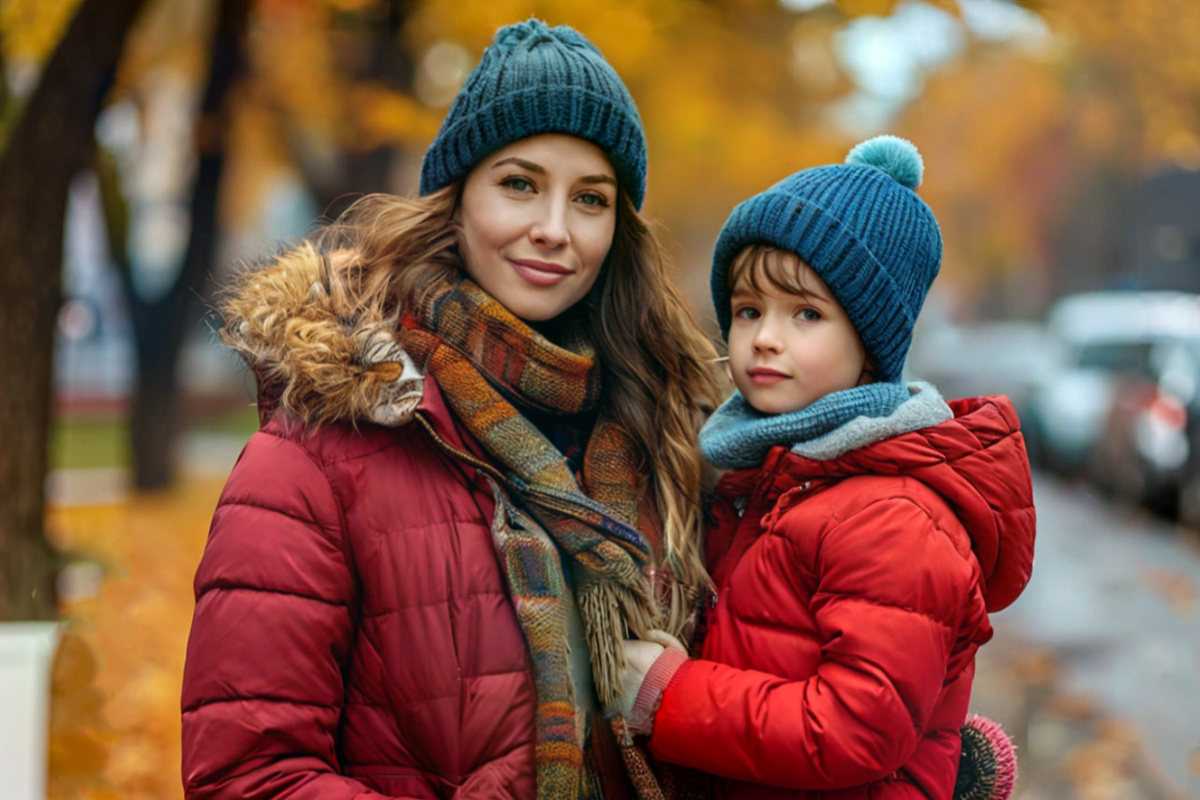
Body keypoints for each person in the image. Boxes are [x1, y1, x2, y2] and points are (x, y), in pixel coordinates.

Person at [180, 18, 720, 800]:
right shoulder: (317, 451)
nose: (553, 229)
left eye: (591, 199)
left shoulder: (660, 440)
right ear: (457, 198)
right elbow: (248, 775)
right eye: (519, 184)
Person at [606, 136, 1037, 800]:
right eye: (749, 310)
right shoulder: (767, 479)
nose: (765, 337)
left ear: (870, 342)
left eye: (806, 313)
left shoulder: (891, 515)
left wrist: (669, 697)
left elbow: (854, 730)